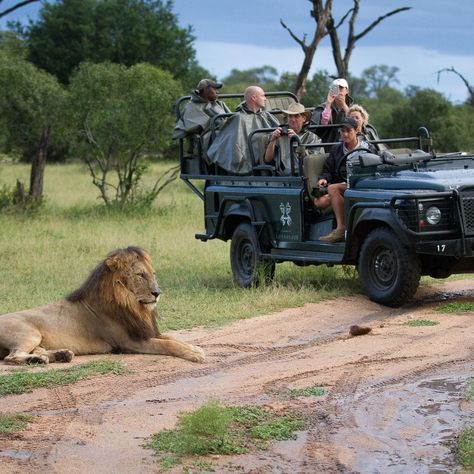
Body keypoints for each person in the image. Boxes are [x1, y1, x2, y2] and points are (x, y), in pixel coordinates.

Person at [315, 116, 377, 243]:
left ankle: (341, 229)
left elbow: (375, 170)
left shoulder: (368, 149)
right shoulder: (337, 150)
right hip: (344, 185)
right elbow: (328, 170)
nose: (345, 134)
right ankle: (345, 227)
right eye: (342, 131)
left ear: (356, 131)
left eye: (348, 131)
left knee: (333, 189)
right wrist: (323, 179)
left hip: (362, 185)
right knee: (319, 201)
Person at [207, 86, 280, 174]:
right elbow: (236, 146)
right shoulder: (238, 118)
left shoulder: (265, 115)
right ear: (254, 98)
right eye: (263, 96)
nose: (265, 99)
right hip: (251, 160)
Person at [172, 78, 231, 159]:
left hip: (224, 137)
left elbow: (231, 118)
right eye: (214, 88)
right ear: (206, 90)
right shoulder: (191, 107)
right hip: (206, 142)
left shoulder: (219, 104)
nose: (217, 92)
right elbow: (192, 127)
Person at [264, 102, 323, 175]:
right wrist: (272, 141)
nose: (293, 119)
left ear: (304, 118)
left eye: (296, 116)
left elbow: (314, 161)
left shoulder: (313, 138)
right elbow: (268, 159)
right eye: (290, 116)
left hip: (303, 176)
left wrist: (297, 141)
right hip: (282, 177)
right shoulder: (279, 135)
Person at [311, 78, 353, 145]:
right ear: (331, 91)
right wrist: (328, 105)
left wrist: (344, 106)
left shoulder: (352, 108)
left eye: (341, 88)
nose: (339, 91)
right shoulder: (323, 107)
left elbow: (355, 124)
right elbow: (319, 128)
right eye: (336, 88)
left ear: (347, 91)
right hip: (328, 143)